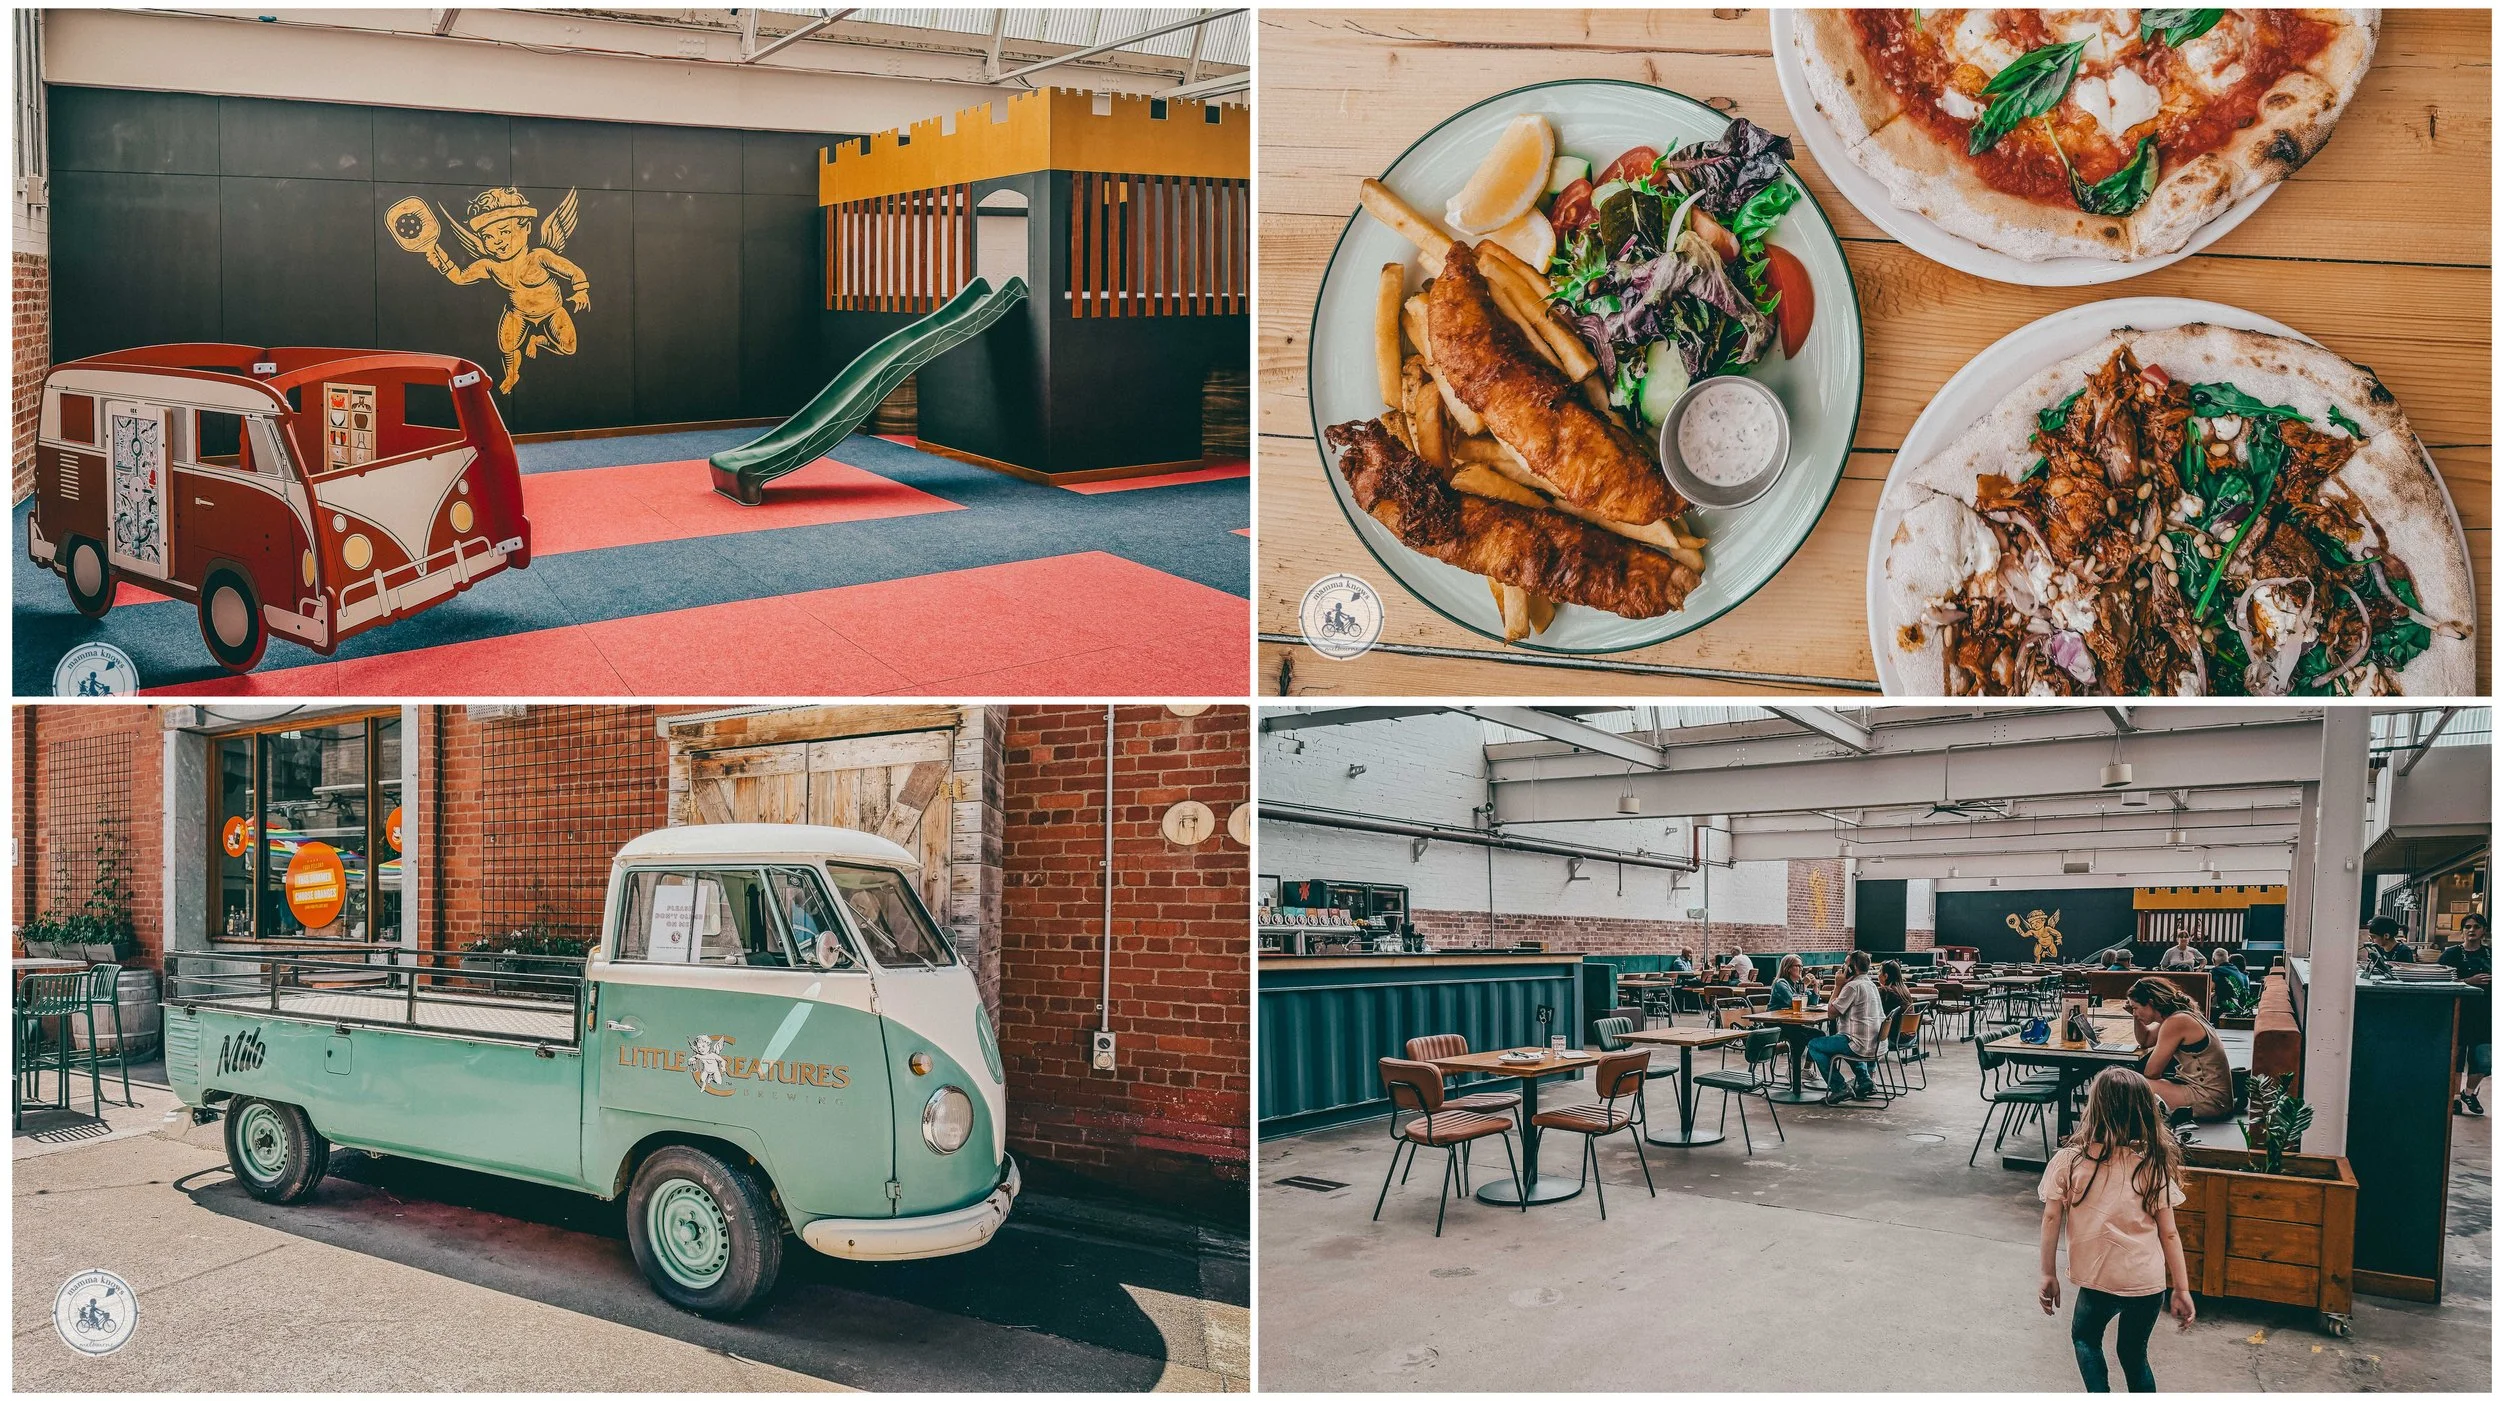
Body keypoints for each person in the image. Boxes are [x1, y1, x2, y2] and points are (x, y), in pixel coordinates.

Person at [2039, 1068, 2196, 1393]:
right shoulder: (2151, 1165)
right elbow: (2169, 1233)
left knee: (2085, 1337)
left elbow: (2052, 1218)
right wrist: (2181, 1288)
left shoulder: (2070, 1161)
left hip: (2099, 1279)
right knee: (2134, 1354)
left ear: (2093, 1108)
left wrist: (2048, 1273)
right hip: (2146, 1282)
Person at [2127, 979, 2234, 1124]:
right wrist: (2136, 1016)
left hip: (2210, 1100)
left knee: (2128, 1087)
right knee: (2131, 1085)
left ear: (2150, 1003)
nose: (2134, 1012)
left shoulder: (2176, 1022)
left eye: (2135, 1008)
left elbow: (2151, 1073)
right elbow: (2145, 1040)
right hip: (2215, 1096)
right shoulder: (2179, 1016)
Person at [1809, 951, 1883, 1104]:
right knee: (1841, 1040)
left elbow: (1831, 1013)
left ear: (1852, 968)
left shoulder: (1852, 986)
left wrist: (1838, 986)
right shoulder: (1871, 984)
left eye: (1845, 964)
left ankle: (1839, 1087)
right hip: (1876, 1044)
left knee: (1814, 1045)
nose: (1843, 967)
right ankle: (1865, 1080)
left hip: (1859, 1045)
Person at [2441, 913, 2491, 1116]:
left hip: (2486, 1015)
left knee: (2485, 1059)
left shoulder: (2492, 955)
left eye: (2476, 926)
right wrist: (2468, 981)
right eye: (2467, 926)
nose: (2472, 930)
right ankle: (2454, 1098)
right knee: (2456, 1057)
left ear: (2484, 931)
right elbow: (2440, 981)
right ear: (2462, 930)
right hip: (2458, 1013)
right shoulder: (2451, 954)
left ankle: (2469, 1093)